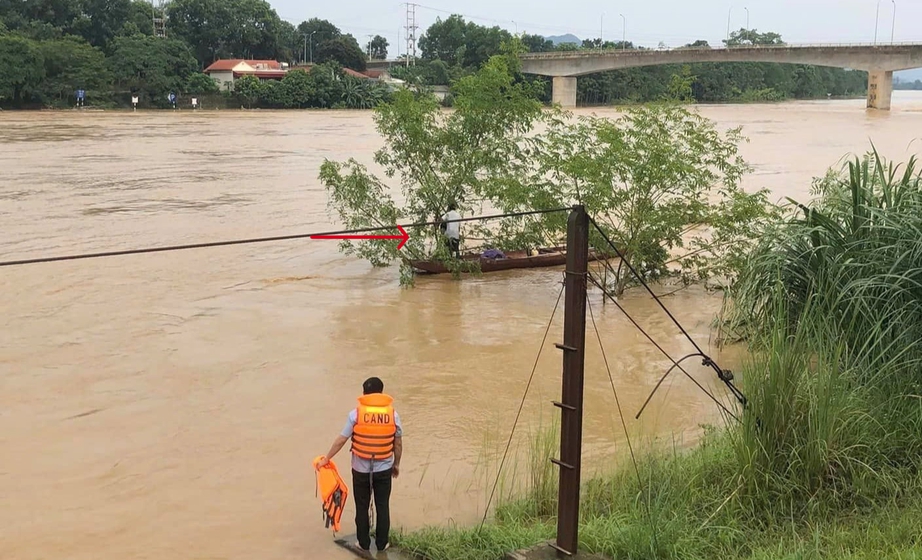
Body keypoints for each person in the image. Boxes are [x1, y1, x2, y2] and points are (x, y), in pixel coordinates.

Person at [317, 377, 402, 553]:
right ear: (381, 392)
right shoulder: (393, 414)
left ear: (364, 394)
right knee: (382, 505)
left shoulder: (355, 414)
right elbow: (398, 444)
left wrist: (327, 458)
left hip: (361, 470)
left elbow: (341, 440)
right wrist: (396, 465)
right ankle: (382, 544)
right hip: (384, 470)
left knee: (362, 506)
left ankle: (362, 543)